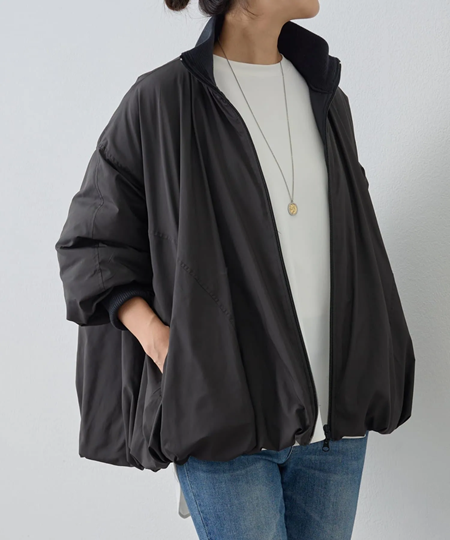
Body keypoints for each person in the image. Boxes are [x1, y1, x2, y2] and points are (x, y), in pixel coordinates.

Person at [54, 0, 416, 538]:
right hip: (225, 418)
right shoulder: (163, 100)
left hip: (335, 423)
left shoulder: (327, 97)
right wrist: (162, 344)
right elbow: (92, 242)